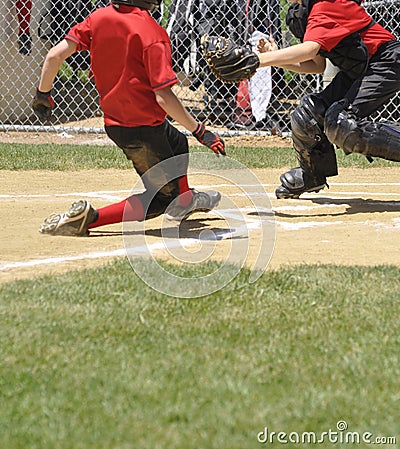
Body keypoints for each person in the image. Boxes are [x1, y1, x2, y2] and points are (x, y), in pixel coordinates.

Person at [32, 0, 225, 237]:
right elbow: (163, 96)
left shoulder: (98, 18)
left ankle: (184, 201)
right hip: (142, 131)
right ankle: (88, 220)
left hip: (120, 123)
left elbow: (54, 56)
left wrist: (43, 94)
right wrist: (200, 130)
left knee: (177, 142)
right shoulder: (152, 32)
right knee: (161, 199)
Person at [254, 0, 400, 198]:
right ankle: (313, 175)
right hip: (358, 69)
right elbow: (316, 64)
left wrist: (257, 60)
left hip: (386, 60)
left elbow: (309, 50)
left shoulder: (325, 4)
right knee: (308, 113)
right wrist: (274, 58)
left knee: (341, 123)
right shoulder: (302, 13)